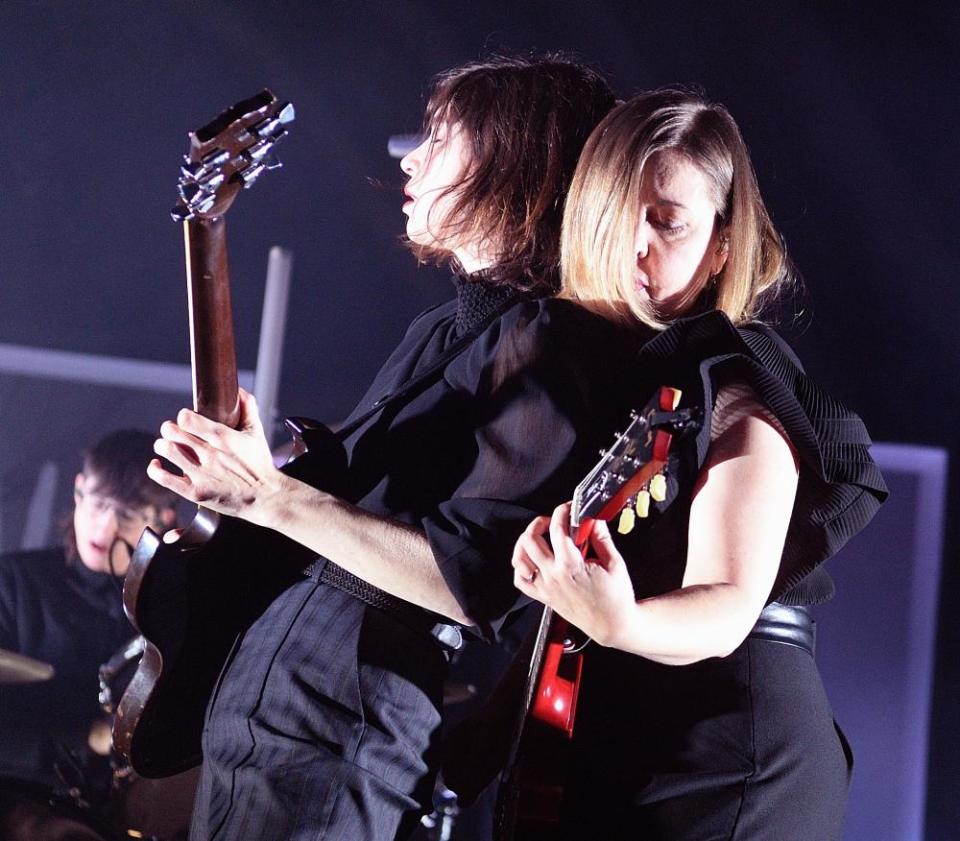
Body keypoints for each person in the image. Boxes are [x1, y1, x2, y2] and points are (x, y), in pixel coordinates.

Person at [147, 55, 642, 841]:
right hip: (274, 708)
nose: (409, 157)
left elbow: (471, 585)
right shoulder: (444, 331)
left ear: (521, 159)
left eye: (442, 137)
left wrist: (271, 496)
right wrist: (261, 476)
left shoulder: (555, 342)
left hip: (341, 721)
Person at [510, 90, 888, 840]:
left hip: (731, 749)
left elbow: (727, 600)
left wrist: (621, 618)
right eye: (618, 212)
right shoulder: (604, 380)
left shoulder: (736, 382)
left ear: (721, 246)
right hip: (637, 731)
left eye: (668, 221)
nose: (635, 243)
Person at [0, 429, 178, 788]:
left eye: (128, 514)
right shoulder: (12, 583)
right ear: (79, 490)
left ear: (164, 519)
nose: (106, 527)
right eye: (98, 503)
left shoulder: (172, 608)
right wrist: (89, 737)